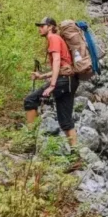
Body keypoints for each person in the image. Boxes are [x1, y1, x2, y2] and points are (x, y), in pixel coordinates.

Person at [24, 17, 79, 147]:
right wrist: (41, 76)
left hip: (64, 81)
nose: (40, 28)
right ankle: (76, 157)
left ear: (50, 27)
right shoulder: (58, 39)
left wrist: (52, 85)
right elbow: (63, 67)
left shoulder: (53, 38)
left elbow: (57, 61)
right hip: (71, 81)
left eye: (42, 26)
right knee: (65, 121)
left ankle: (29, 142)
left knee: (30, 100)